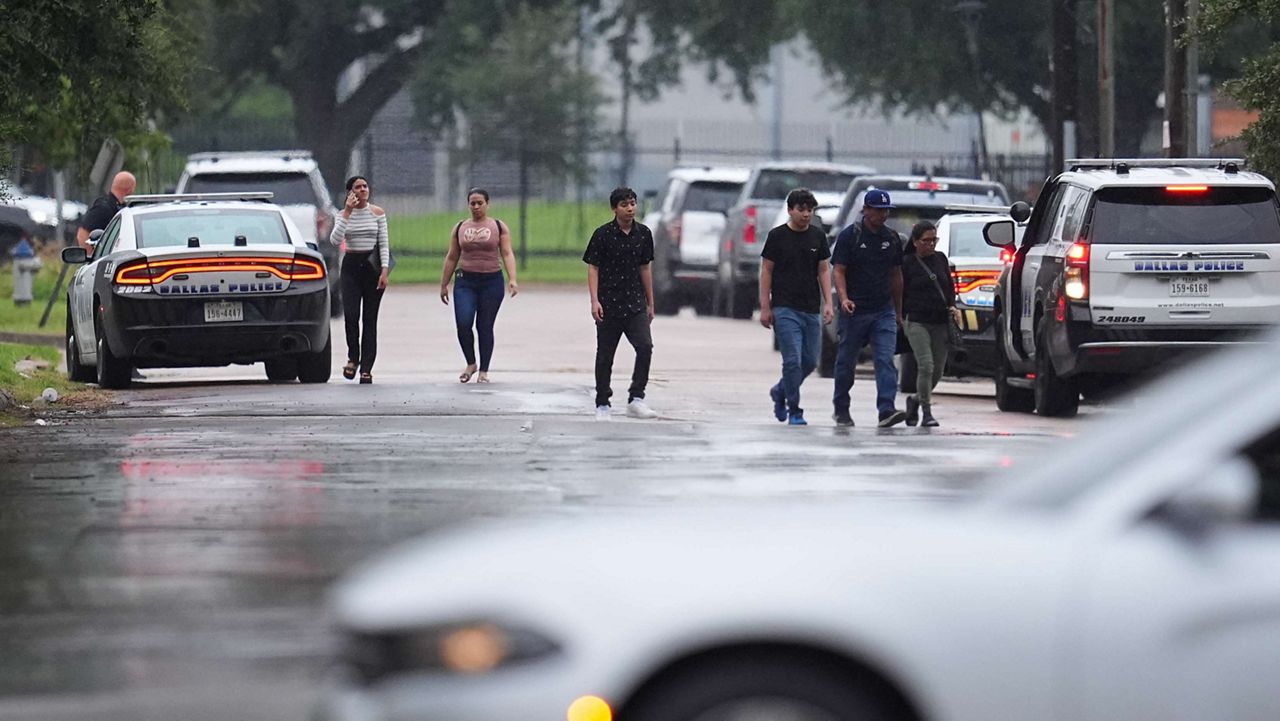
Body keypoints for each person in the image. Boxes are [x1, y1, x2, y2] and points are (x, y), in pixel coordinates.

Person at [831, 188, 908, 428]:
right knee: (846, 362)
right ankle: (841, 408)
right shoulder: (849, 236)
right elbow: (839, 270)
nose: (882, 215)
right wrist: (843, 299)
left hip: (882, 310)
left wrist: (898, 311)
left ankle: (886, 409)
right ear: (866, 210)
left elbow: (896, 275)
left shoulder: (892, 238)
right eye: (878, 210)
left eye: (886, 210)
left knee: (885, 359)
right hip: (855, 311)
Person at [759, 188, 834, 426]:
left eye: (810, 210)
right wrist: (765, 306)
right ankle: (794, 409)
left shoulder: (818, 236)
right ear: (790, 210)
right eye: (801, 209)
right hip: (784, 307)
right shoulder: (777, 236)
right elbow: (766, 271)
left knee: (810, 361)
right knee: (792, 360)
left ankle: (780, 390)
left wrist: (828, 303)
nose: (806, 214)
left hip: (810, 307)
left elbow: (823, 270)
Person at [583, 187, 657, 421]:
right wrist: (595, 300)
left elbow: (645, 267)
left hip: (635, 302)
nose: (630, 209)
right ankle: (602, 402)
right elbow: (593, 267)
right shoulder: (602, 234)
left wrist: (650, 302)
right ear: (615, 208)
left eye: (633, 204)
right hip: (609, 302)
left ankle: (637, 398)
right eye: (625, 205)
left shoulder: (643, 234)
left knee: (645, 346)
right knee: (605, 354)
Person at [440, 188, 519, 383]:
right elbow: (452, 256)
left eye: (479, 203)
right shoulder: (460, 227)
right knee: (463, 323)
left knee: (485, 326)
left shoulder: (499, 227)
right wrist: (444, 284)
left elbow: (507, 253)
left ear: (487, 204)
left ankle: (484, 370)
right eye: (472, 203)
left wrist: (512, 278)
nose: (476, 207)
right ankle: (471, 362)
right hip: (465, 281)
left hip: (491, 281)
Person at [329, 175, 389, 384]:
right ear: (350, 192)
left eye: (365, 186)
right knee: (352, 315)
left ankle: (367, 368)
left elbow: (383, 244)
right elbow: (335, 240)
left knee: (370, 320)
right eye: (358, 187)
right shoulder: (343, 215)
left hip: (371, 266)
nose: (363, 189)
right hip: (352, 266)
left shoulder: (377, 213)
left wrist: (384, 271)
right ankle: (353, 357)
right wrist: (347, 212)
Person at [900, 221, 960, 427]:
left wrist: (952, 305)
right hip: (917, 321)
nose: (931, 245)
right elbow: (899, 291)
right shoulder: (906, 263)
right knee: (925, 365)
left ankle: (916, 400)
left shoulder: (941, 259)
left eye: (934, 240)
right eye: (926, 241)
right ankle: (926, 412)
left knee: (937, 371)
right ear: (915, 242)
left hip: (940, 321)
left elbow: (949, 287)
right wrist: (899, 315)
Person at [77, 171, 136, 252]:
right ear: (130, 190)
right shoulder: (103, 208)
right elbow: (83, 233)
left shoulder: (122, 207)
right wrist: (91, 256)